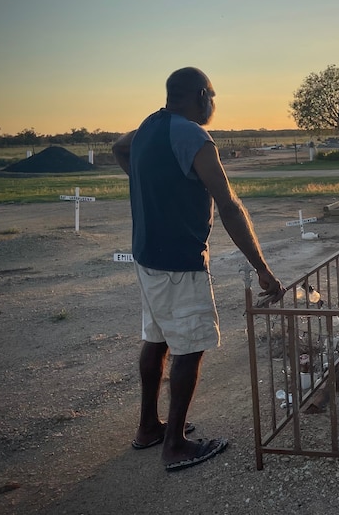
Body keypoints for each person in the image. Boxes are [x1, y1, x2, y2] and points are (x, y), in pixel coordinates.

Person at [112, 67, 286, 470]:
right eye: (214, 96)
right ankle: (174, 445)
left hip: (148, 258)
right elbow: (228, 204)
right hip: (179, 263)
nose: (213, 104)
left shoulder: (149, 126)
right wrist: (262, 267)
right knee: (188, 348)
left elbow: (120, 149)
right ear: (202, 95)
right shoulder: (193, 136)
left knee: (156, 339)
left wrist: (156, 183)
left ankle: (148, 428)